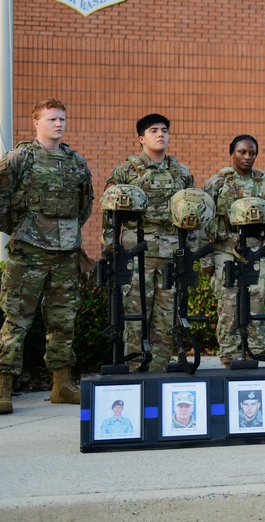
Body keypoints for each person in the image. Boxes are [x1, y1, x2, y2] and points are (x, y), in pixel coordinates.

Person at [0, 99, 94, 415]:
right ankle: (3, 387)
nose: (58, 124)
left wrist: (66, 234)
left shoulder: (75, 162)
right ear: (36, 122)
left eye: (62, 118)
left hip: (65, 253)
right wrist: (20, 231)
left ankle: (62, 385)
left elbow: (85, 204)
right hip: (29, 252)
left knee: (63, 319)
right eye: (51, 119)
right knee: (17, 318)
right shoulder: (19, 158)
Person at [104, 113, 196, 370]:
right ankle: (135, 369)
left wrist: (192, 252)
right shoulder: (125, 172)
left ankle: (158, 371)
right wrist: (110, 250)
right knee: (135, 315)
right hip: (136, 253)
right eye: (153, 130)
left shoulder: (181, 173)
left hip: (171, 254)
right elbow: (109, 215)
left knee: (166, 317)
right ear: (141, 138)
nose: (160, 134)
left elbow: (194, 215)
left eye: (164, 130)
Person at [202, 135, 265, 366]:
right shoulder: (216, 183)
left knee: (257, 303)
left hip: (258, 252)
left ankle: (256, 354)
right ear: (232, 154)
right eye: (242, 152)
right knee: (229, 304)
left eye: (252, 153)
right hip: (226, 251)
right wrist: (205, 259)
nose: (247, 157)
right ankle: (230, 357)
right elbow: (201, 221)